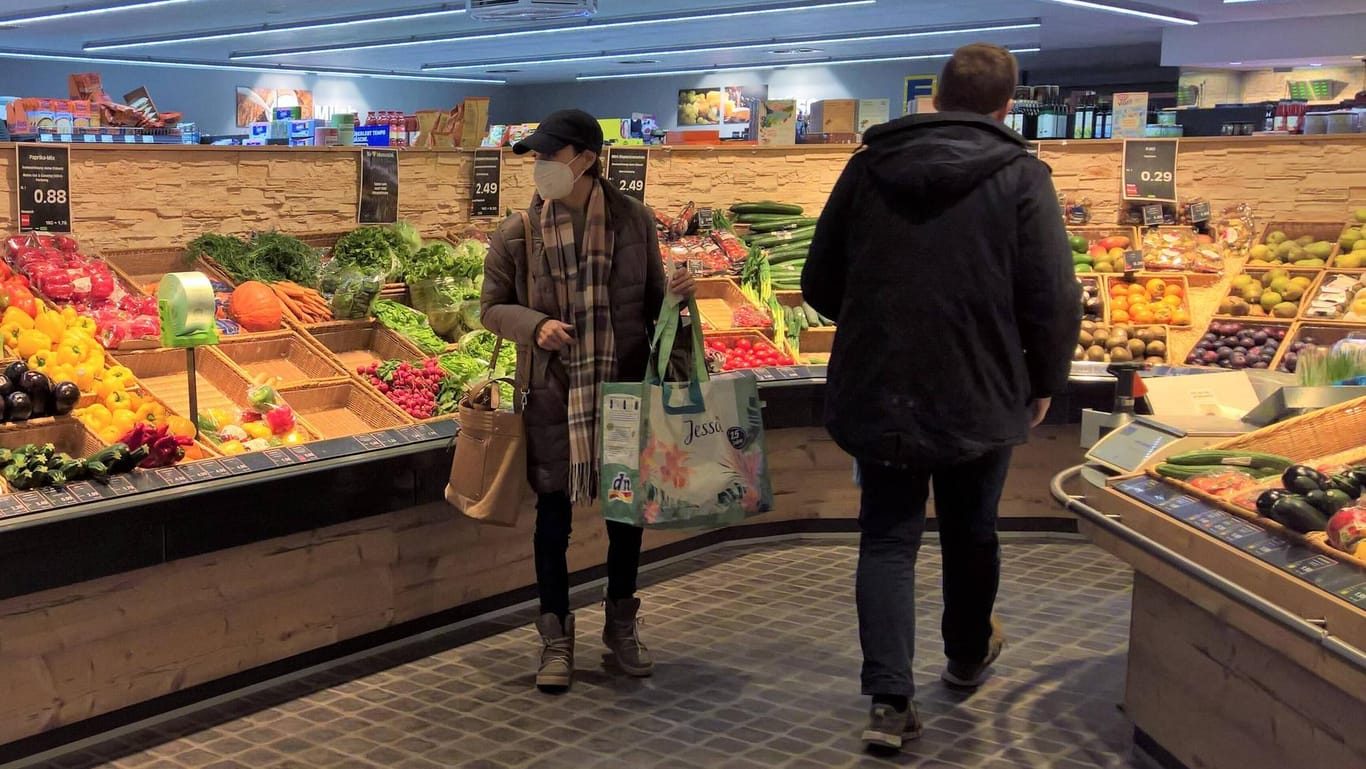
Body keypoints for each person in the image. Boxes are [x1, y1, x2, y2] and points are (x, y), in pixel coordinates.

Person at [800, 43, 1080, 751]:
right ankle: (964, 655)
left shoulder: (867, 168)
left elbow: (817, 280)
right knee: (971, 527)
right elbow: (1052, 294)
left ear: (935, 97)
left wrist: (876, 323)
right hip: (981, 386)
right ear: (1006, 105)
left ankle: (889, 702)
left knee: (888, 538)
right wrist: (1043, 378)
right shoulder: (1022, 177)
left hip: (881, 387)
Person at [481, 109, 695, 693]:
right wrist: (535, 326)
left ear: (586, 159)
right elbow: (490, 308)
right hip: (552, 394)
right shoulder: (517, 233)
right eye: (537, 157)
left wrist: (681, 299)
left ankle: (620, 630)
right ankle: (555, 638)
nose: (542, 167)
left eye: (552, 156)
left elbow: (655, 306)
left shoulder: (634, 222)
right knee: (552, 523)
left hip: (623, 391)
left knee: (626, 519)